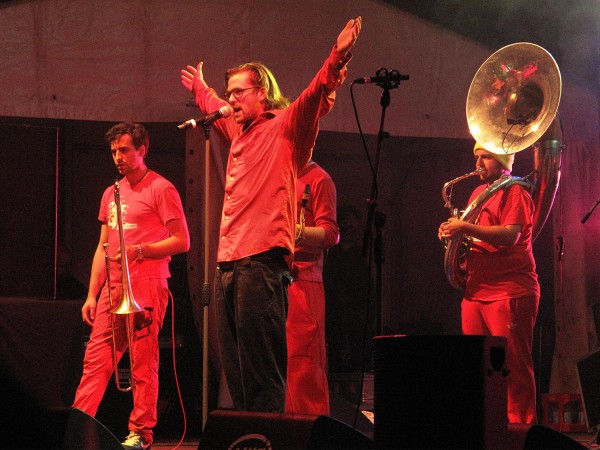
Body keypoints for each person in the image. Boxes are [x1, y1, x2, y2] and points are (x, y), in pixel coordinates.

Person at [180, 17, 362, 412]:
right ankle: (248, 437)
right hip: (227, 263)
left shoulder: (284, 126)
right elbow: (213, 104)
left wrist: (338, 54)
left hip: (261, 264)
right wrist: (201, 88)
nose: (231, 100)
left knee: (264, 378)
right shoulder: (234, 127)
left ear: (261, 93)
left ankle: (269, 439)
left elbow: (315, 94)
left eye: (239, 92)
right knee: (239, 374)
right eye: (230, 93)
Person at [73, 122, 190, 449]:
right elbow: (103, 247)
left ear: (142, 149)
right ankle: (78, 425)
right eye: (114, 151)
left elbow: (182, 241)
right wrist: (91, 294)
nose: (118, 157)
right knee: (95, 361)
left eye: (124, 150)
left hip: (148, 284)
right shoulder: (110, 192)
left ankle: (141, 433)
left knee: (143, 363)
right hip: (113, 289)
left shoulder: (161, 188)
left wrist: (143, 250)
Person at [438, 142, 540, 424]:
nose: (478, 163)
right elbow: (473, 238)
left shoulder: (515, 190)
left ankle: (520, 430)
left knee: (514, 368)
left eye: (486, 157)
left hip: (509, 290)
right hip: (476, 292)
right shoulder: (477, 193)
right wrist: (452, 234)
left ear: (503, 162)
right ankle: (486, 429)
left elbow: (510, 236)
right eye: (476, 157)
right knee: (478, 367)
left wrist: (464, 228)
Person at [286, 160, 339, 415]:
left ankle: (309, 432)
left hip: (303, 282)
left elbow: (331, 234)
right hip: (272, 281)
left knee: (303, 368)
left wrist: (297, 232)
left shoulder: (319, 179)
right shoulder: (276, 173)